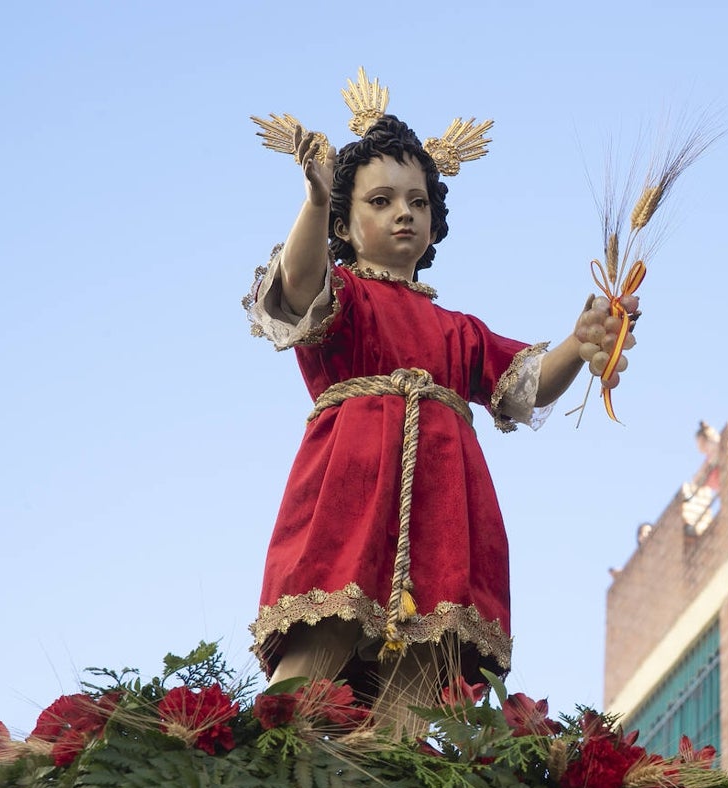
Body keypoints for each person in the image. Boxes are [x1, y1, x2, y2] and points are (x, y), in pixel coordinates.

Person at [243, 101, 637, 734]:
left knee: (420, 686)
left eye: (418, 202)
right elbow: (296, 282)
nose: (404, 212)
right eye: (381, 200)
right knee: (320, 643)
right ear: (344, 222)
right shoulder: (343, 299)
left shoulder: (459, 332)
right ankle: (263, 774)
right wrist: (315, 201)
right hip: (352, 493)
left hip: (444, 508)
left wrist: (581, 340)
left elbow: (526, 384)